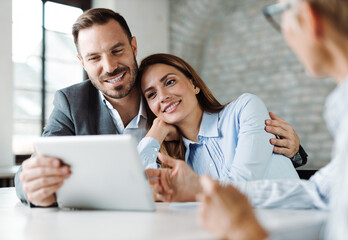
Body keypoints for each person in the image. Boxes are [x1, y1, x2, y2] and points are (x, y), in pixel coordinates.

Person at [14, 8, 304, 207]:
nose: (110, 66)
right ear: (82, 63)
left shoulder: (173, 107)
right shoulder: (71, 102)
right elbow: (36, 164)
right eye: (94, 58)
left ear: (133, 46)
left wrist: (293, 150)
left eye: (117, 50)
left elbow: (230, 137)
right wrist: (29, 186)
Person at [196, 0, 348, 239]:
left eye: (280, 13)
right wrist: (201, 190)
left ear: (310, 18)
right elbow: (317, 192)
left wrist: (244, 230)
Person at [136, 53, 299, 201]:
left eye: (170, 82)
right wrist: (155, 134)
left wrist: (194, 188)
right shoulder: (182, 162)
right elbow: (139, 191)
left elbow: (240, 189)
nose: (163, 96)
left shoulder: (244, 109)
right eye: (152, 94)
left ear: (193, 84)